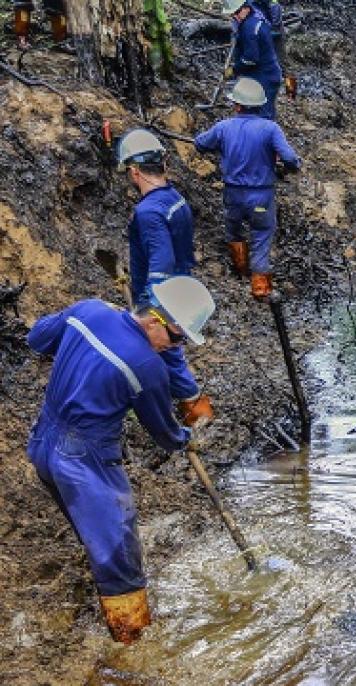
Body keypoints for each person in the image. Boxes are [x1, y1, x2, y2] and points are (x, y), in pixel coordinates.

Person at [26, 277, 216, 644]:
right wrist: (188, 439)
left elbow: (38, 338)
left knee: (89, 529)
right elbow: (163, 431)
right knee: (118, 546)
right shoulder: (145, 367)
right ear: (153, 322)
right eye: (176, 340)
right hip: (85, 458)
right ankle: (130, 639)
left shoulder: (89, 310)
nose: (173, 349)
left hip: (43, 444)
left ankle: (100, 591)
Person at [115, 129, 214, 426]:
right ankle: (194, 411)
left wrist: (147, 307)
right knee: (170, 355)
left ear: (134, 172)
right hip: (180, 286)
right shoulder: (175, 199)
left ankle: (195, 416)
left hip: (163, 293)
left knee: (163, 354)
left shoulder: (148, 212)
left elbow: (160, 263)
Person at [193, 78, 301, 300]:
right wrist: (290, 167)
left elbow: (200, 143)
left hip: (232, 194)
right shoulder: (270, 129)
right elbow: (290, 158)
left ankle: (240, 270)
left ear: (237, 105)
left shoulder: (223, 127)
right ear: (260, 105)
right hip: (261, 195)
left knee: (234, 230)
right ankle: (260, 288)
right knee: (261, 235)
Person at [222, 0, 282, 119]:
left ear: (246, 9)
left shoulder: (250, 28)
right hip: (262, 75)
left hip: (265, 77)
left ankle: (266, 135)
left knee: (264, 115)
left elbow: (251, 58)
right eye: (232, 14)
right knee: (255, 112)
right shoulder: (251, 21)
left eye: (236, 12)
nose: (234, 16)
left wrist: (234, 70)